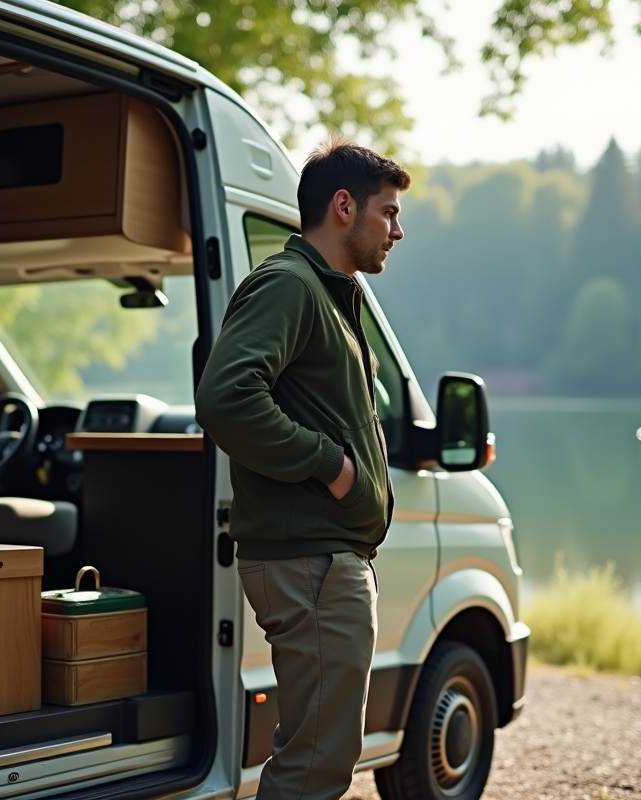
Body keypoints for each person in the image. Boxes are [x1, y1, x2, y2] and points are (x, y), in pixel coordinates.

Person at [195, 140, 410, 799]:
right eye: (389, 214)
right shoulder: (288, 286)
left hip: (325, 558)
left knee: (320, 758)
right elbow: (226, 399)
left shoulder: (330, 295)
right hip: (311, 562)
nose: (397, 232)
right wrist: (332, 467)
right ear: (343, 207)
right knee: (315, 767)